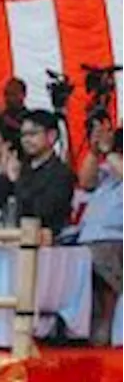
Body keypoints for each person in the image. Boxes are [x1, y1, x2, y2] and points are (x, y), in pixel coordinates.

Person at [0, 110, 75, 238]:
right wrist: (4, 174)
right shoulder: (21, 167)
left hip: (48, 245)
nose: (26, 140)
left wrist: (16, 182)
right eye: (23, 135)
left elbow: (41, 212)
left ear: (51, 136)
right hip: (14, 238)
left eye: (32, 134)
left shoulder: (61, 173)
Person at [77, 120, 124, 345]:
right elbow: (86, 182)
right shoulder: (112, 165)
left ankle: (106, 335)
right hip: (88, 235)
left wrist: (109, 152)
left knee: (105, 287)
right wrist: (95, 153)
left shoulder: (116, 163)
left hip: (114, 237)